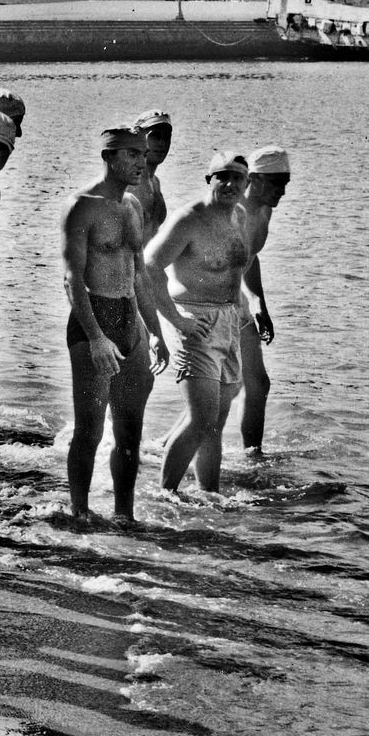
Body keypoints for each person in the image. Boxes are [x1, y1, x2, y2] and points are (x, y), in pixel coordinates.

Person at [60, 124, 168, 527]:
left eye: (143, 154)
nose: (142, 162)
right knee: (89, 429)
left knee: (130, 431)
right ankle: (79, 513)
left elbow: (139, 275)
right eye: (132, 154)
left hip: (129, 321)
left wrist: (155, 332)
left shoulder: (132, 206)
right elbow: (72, 279)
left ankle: (125, 516)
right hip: (93, 320)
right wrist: (96, 338)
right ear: (108, 157)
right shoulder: (81, 206)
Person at [145, 151, 256, 495]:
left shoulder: (239, 216)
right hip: (195, 320)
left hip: (229, 321)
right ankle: (166, 495)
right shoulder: (190, 219)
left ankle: (210, 494)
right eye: (222, 176)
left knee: (216, 422)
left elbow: (237, 268)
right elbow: (149, 267)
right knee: (201, 418)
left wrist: (245, 308)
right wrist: (176, 320)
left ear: (247, 183)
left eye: (238, 178)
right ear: (209, 180)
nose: (230, 184)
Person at [222, 143, 292, 459]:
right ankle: (171, 448)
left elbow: (250, 258)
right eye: (278, 184)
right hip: (211, 302)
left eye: (286, 184)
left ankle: (253, 456)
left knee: (257, 383)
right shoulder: (231, 213)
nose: (283, 192)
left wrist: (259, 302)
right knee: (223, 387)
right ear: (256, 180)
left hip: (237, 301)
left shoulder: (264, 210)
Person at [126, 109, 174, 235]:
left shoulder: (155, 182)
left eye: (166, 137)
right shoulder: (128, 184)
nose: (162, 143)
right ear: (138, 138)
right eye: (155, 136)